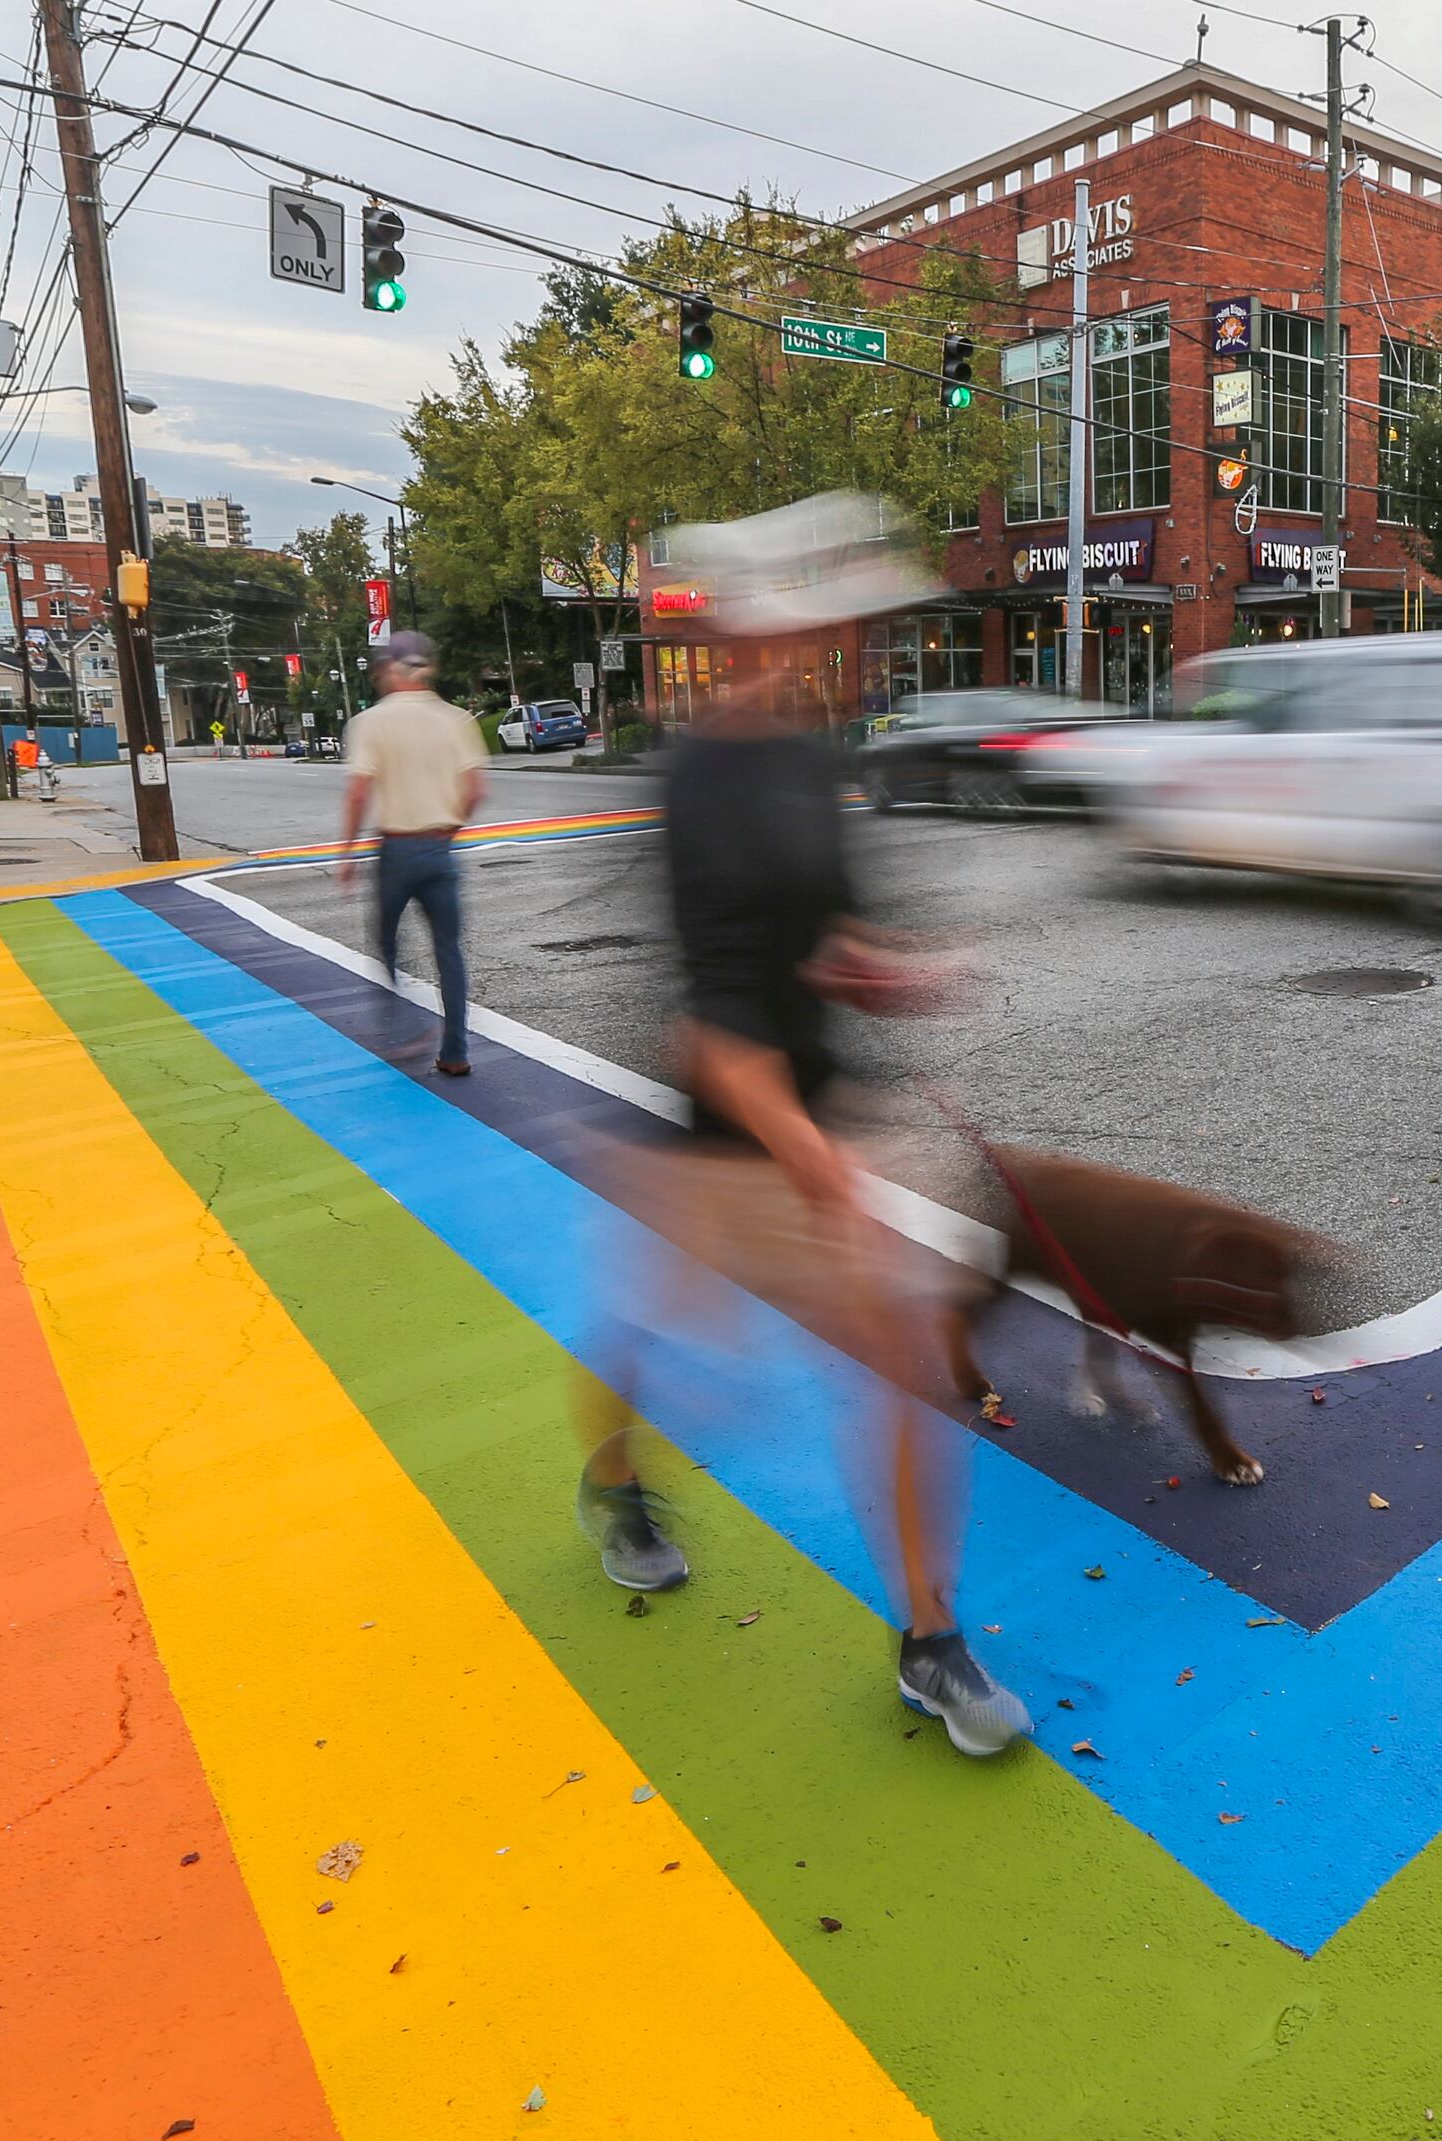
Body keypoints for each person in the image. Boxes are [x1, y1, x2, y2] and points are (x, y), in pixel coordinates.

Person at [573, 492, 1029, 1758]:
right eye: (842, 614)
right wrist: (811, 1157)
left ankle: (928, 1642)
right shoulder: (703, 777)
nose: (865, 637)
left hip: (812, 1115)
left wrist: (891, 969)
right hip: (729, 1133)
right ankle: (612, 1482)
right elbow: (716, 1023)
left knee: (901, 1359)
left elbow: (820, 936)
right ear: (757, 633)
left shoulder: (813, 757)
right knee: (648, 1337)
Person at [336, 628, 487, 1078]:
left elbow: (359, 793)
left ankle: (406, 1024)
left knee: (385, 940)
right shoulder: (457, 719)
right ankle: (455, 1053)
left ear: (391, 671)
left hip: (396, 850)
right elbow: (476, 789)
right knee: (449, 951)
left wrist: (345, 852)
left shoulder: (370, 722)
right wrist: (449, 827)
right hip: (440, 849)